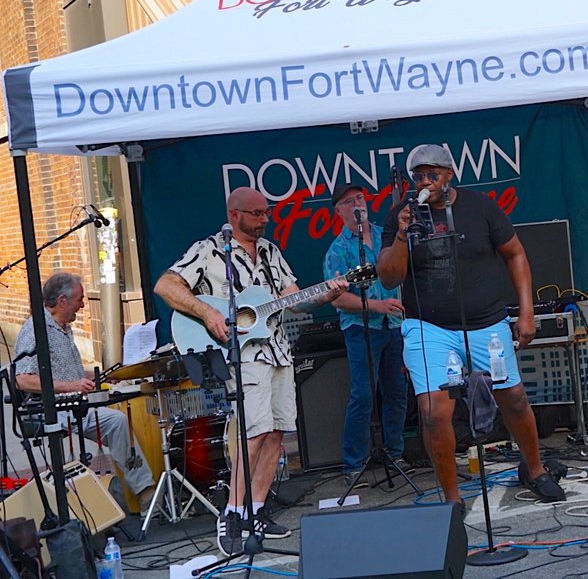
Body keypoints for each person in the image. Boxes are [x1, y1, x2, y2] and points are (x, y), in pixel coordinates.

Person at [154, 187, 347, 556]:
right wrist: (209, 313)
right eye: (257, 214)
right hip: (244, 356)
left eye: (266, 213)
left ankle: (257, 511)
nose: (264, 219)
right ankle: (232, 512)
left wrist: (327, 293)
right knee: (254, 433)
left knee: (276, 432)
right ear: (234, 215)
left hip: (279, 352)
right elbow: (165, 285)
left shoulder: (270, 252)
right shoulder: (209, 250)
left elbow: (296, 301)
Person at [376, 144, 565, 505]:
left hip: (486, 322)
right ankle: (452, 499)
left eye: (432, 175)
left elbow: (515, 253)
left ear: (449, 175)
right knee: (434, 412)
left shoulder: (480, 207)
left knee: (513, 398)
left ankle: (535, 469)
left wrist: (526, 312)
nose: (425, 182)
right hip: (428, 326)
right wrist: (402, 234)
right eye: (418, 176)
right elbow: (388, 277)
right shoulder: (401, 215)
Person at [13, 272, 155, 512]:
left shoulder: (64, 327)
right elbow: (22, 380)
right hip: (53, 411)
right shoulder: (35, 330)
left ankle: (146, 494)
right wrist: (72, 386)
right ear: (62, 301)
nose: (83, 304)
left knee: (118, 421)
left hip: (76, 405)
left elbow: (72, 373)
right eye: (79, 299)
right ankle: (78, 501)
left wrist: (107, 376)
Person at [322, 181, 408, 488]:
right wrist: (376, 305)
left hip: (394, 324)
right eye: (349, 201)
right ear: (339, 211)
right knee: (363, 394)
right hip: (361, 328)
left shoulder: (386, 235)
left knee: (397, 391)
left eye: (360, 198)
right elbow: (337, 298)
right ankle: (354, 464)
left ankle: (395, 454)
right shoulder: (338, 250)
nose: (358, 204)